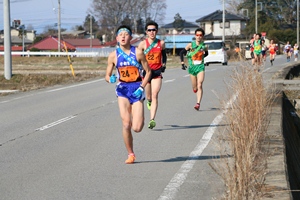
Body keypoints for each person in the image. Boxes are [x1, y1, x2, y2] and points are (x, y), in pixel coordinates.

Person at [105, 25, 151, 164]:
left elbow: (148, 72)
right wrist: (110, 78)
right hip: (123, 90)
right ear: (117, 38)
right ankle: (131, 154)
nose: (123, 36)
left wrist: (142, 87)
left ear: (131, 37)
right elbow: (107, 75)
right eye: (121, 34)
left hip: (137, 88)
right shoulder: (113, 55)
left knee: (136, 128)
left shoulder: (138, 53)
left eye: (126, 34)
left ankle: (138, 115)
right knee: (126, 124)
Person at [138, 21, 166, 129]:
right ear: (146, 32)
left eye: (153, 30)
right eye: (149, 30)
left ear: (157, 31)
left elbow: (164, 55)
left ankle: (152, 119)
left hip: (157, 72)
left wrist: (164, 64)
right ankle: (148, 101)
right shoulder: (143, 44)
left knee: (155, 95)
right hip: (146, 72)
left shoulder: (161, 43)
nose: (151, 32)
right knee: (149, 96)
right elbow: (138, 57)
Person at [179, 28, 208, 111]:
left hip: (200, 67)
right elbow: (181, 53)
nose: (198, 37)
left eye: (200, 35)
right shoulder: (190, 45)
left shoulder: (204, 46)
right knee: (195, 87)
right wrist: (182, 63)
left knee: (200, 84)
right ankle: (195, 89)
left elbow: (206, 53)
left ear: (202, 36)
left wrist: (200, 59)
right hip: (192, 67)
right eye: (197, 35)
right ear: (195, 36)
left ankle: (198, 103)